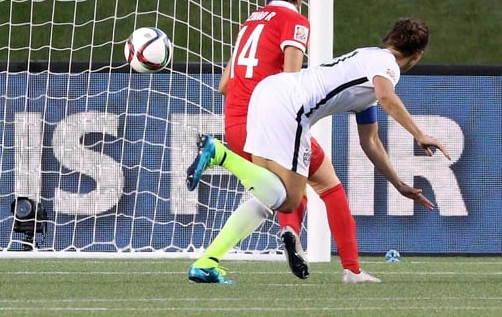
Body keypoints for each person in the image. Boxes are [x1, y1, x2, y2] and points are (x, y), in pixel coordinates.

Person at [186, 17, 450, 284]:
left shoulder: (367, 62)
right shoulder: (386, 67)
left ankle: (207, 262)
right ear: (418, 55)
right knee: (290, 200)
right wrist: (419, 134)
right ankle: (220, 154)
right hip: (291, 107)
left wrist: (399, 184)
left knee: (271, 195)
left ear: (390, 38)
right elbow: (386, 95)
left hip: (268, 92)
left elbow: (370, 141)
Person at [191, 0, 381, 284]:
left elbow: (224, 84)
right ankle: (351, 269)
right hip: (267, 121)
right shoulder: (295, 22)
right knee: (326, 185)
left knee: (269, 195)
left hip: (235, 118)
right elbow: (292, 82)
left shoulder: (251, 21)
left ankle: (207, 262)